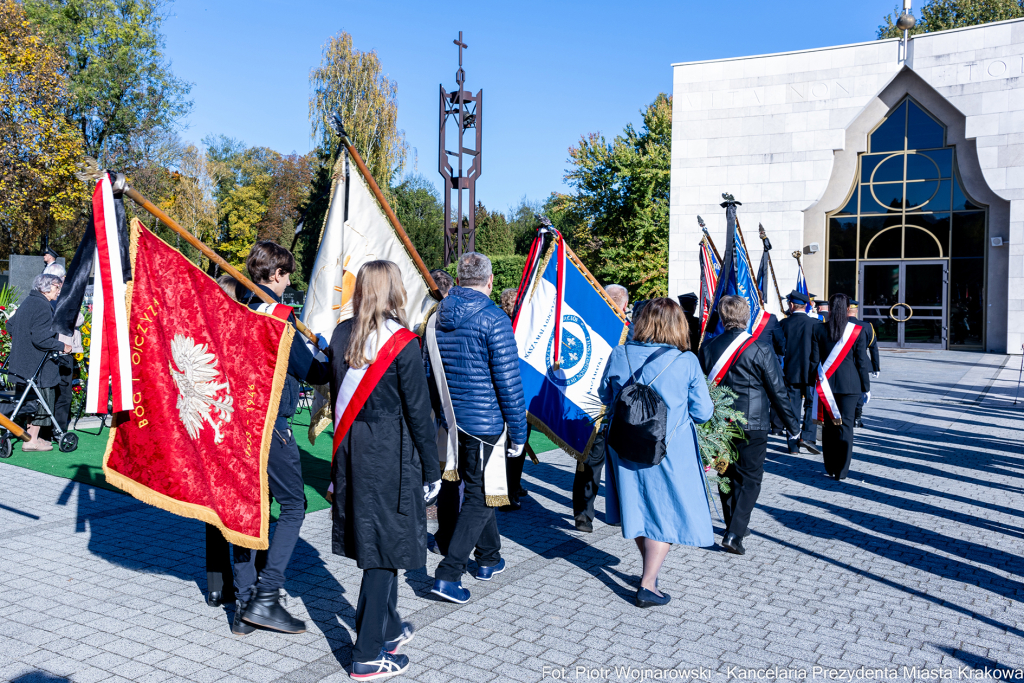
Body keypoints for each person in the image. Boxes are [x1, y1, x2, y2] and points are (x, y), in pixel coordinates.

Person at [328, 261, 441, 679]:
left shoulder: (341, 333)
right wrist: (433, 471)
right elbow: (419, 414)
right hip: (391, 454)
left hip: (352, 452)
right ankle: (367, 654)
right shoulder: (403, 343)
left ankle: (389, 628)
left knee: (379, 543)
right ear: (394, 290)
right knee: (382, 553)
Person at [232, 241, 330, 635]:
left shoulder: (238, 310)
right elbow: (313, 373)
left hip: (239, 422)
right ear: (275, 275)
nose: (289, 281)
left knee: (248, 511)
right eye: (287, 274)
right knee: (293, 506)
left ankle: (244, 602)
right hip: (272, 425)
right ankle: (266, 595)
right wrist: (326, 353)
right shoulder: (278, 316)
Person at [424, 252, 527, 604]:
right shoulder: (494, 318)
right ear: (490, 279)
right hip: (486, 421)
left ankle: (488, 557)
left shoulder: (436, 316)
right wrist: (519, 431)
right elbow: (509, 381)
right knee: (483, 496)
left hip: (453, 420)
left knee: (483, 489)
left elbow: (429, 372)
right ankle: (449, 573)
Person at [601, 298, 714, 608]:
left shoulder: (620, 353)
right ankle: (648, 583)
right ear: (678, 325)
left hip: (624, 442)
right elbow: (703, 412)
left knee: (636, 508)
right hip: (669, 449)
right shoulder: (686, 361)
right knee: (666, 512)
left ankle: (649, 569)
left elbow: (604, 395)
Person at [698, 296, 799, 555]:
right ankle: (734, 532)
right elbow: (777, 390)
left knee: (725, 474)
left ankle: (735, 524)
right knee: (750, 479)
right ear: (746, 317)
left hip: (718, 425)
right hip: (752, 424)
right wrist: (792, 426)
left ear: (721, 317)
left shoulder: (707, 347)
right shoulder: (761, 348)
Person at [571, 283, 630, 532]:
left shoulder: (588, 323)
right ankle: (623, 513)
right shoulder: (631, 330)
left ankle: (583, 515)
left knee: (589, 465)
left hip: (591, 406)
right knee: (623, 465)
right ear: (625, 304)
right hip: (621, 409)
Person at [809, 292, 871, 481]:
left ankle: (830, 466)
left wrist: (813, 383)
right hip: (850, 387)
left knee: (828, 428)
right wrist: (866, 387)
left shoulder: (818, 330)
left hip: (825, 385)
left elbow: (814, 360)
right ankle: (842, 470)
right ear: (846, 309)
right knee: (846, 428)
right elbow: (861, 362)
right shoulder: (857, 330)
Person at [6, 274, 70, 451]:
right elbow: (41, 339)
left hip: (23, 363)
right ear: (47, 287)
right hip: (38, 365)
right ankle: (32, 440)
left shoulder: (29, 301)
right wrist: (62, 346)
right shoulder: (42, 305)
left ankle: (30, 437)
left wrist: (23, 341)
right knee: (42, 400)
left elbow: (10, 325)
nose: (59, 291)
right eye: (57, 287)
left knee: (29, 401)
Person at [497, 287, 529, 512]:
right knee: (516, 444)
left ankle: (514, 486)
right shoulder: (513, 327)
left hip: (507, 394)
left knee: (512, 445)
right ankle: (509, 492)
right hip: (514, 393)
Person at [779, 291, 821, 456]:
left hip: (791, 371)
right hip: (811, 372)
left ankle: (793, 444)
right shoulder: (815, 324)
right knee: (811, 405)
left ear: (791, 305)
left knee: (792, 407)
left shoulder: (784, 324)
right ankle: (808, 437)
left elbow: (779, 349)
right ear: (806, 306)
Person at [41, 263, 81, 436]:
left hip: (49, 348)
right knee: (63, 391)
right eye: (63, 277)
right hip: (64, 348)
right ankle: (59, 429)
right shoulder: (64, 296)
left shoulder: (43, 298)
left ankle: (45, 428)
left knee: (49, 389)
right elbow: (78, 319)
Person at [847, 300, 880, 429]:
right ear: (856, 310)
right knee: (860, 390)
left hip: (843, 362)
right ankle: (857, 418)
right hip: (862, 362)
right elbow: (873, 347)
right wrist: (876, 366)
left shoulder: (839, 324)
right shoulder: (866, 326)